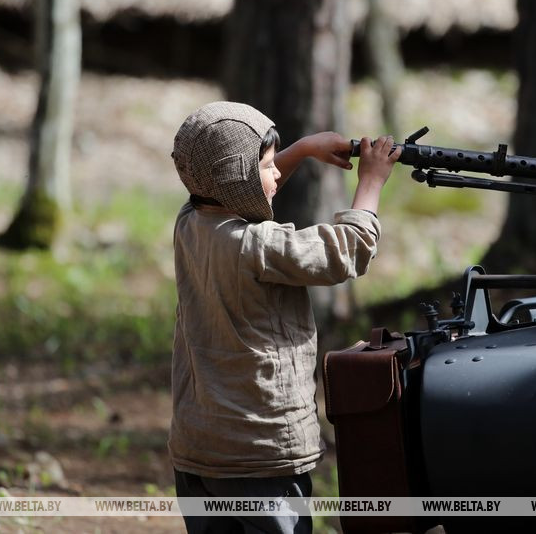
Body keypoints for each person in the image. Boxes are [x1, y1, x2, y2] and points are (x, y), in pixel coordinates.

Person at [168, 101, 400, 533]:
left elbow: (243, 188)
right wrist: (371, 182)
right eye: (267, 166)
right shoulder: (258, 246)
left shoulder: (189, 223)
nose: (277, 174)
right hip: (260, 453)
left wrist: (304, 149)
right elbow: (345, 251)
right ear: (238, 177)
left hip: (198, 447)